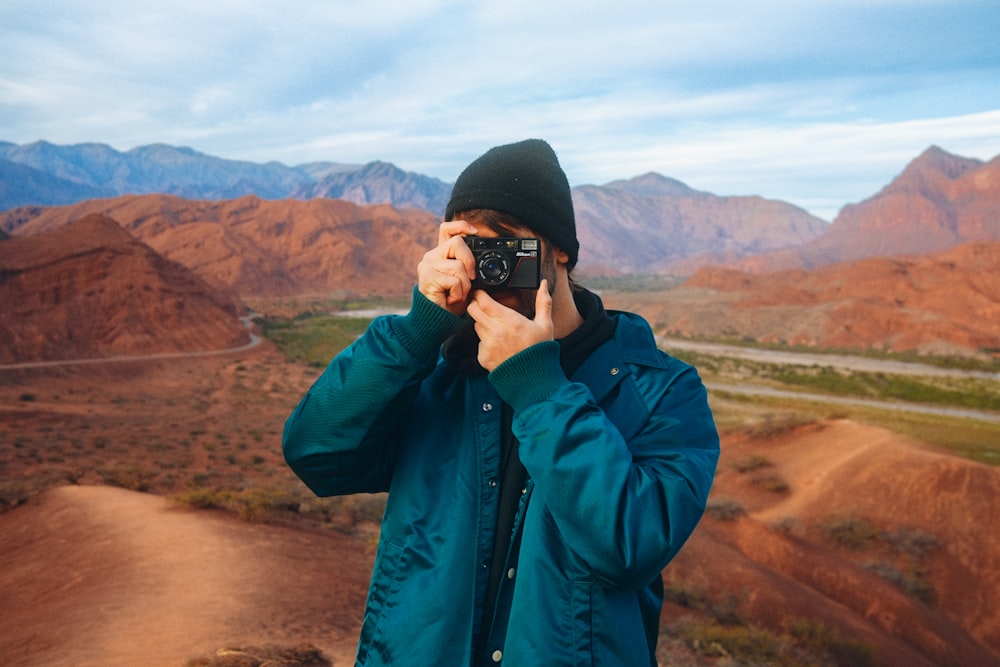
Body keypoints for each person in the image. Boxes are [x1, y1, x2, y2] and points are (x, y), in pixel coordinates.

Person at [283, 138, 720, 666]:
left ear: (558, 250)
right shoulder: (434, 373)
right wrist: (420, 328)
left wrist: (540, 390)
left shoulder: (663, 390)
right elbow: (317, 456)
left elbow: (631, 546)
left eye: (507, 246)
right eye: (473, 249)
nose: (491, 265)